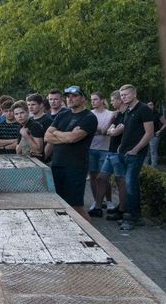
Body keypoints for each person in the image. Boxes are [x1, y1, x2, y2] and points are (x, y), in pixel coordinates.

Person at [44, 87, 98, 218]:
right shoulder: (63, 114)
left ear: (83, 99)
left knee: (76, 206)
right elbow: (47, 136)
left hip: (75, 167)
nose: (70, 99)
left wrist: (57, 133)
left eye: (74, 96)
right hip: (57, 164)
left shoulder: (89, 117)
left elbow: (73, 138)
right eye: (68, 96)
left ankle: (91, 237)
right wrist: (65, 136)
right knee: (59, 204)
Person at [117, 84, 155, 231]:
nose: (123, 97)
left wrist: (135, 149)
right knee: (129, 185)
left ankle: (134, 217)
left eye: (126, 95)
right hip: (125, 152)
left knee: (131, 185)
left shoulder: (144, 109)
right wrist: (121, 145)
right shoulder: (128, 110)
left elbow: (149, 133)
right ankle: (132, 215)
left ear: (134, 94)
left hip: (135, 154)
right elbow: (128, 130)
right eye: (121, 95)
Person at [99, 90, 128, 221]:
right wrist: (112, 121)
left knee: (120, 180)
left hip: (118, 152)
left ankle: (122, 209)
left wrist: (113, 130)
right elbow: (106, 131)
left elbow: (115, 133)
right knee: (101, 178)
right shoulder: (116, 115)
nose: (111, 102)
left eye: (112, 100)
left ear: (120, 100)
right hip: (110, 152)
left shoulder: (127, 115)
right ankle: (98, 206)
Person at [87, 92, 115, 217]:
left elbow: (106, 131)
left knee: (104, 177)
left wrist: (96, 129)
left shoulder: (110, 114)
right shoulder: (89, 114)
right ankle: (96, 200)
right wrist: (99, 130)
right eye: (92, 100)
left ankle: (108, 201)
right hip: (91, 148)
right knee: (93, 176)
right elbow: (88, 130)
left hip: (105, 148)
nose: (93, 102)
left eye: (95, 99)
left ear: (102, 100)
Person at [146, 101, 166, 167]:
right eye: (148, 105)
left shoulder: (158, 114)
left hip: (154, 136)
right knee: (146, 152)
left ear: (154, 106)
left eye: (151, 105)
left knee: (153, 151)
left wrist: (160, 131)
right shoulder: (145, 114)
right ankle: (145, 168)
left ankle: (153, 168)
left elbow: (165, 123)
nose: (149, 106)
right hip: (145, 136)